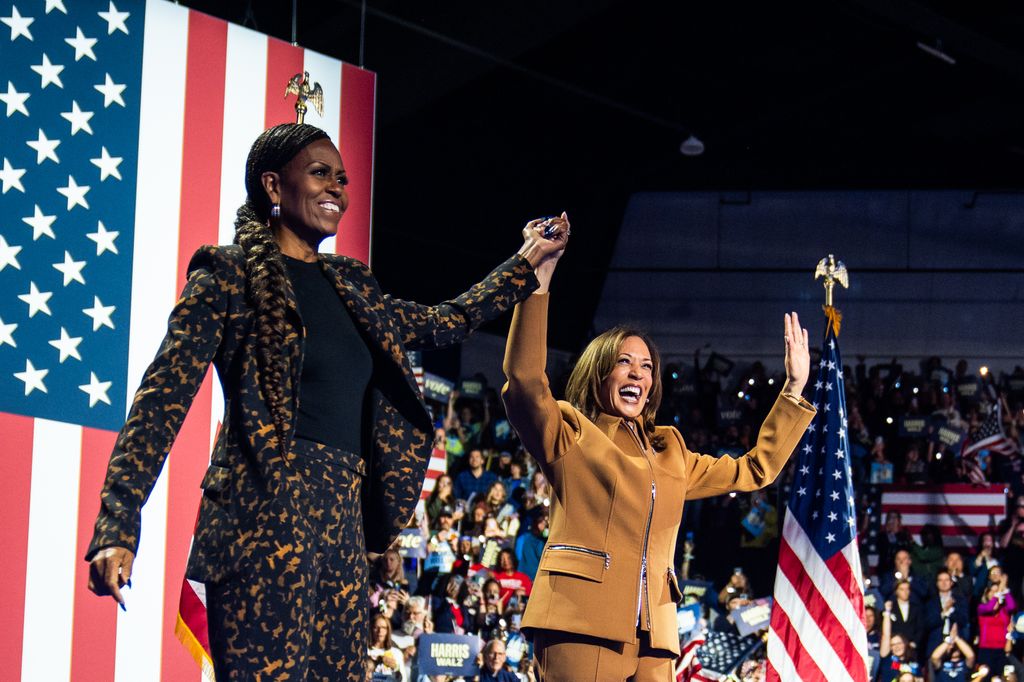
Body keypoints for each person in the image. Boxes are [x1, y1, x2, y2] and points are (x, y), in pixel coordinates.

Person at [83, 122, 565, 679]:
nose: (337, 188)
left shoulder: (353, 286)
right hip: (257, 528)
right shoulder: (226, 275)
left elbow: (446, 321)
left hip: (342, 530)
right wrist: (117, 525)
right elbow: (158, 403)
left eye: (342, 178)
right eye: (319, 173)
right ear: (272, 185)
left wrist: (526, 263)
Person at [499, 230, 815, 680]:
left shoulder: (671, 451)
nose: (638, 374)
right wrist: (538, 281)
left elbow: (754, 469)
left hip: (655, 637)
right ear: (599, 371)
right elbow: (525, 379)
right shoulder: (569, 431)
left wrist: (793, 390)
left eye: (647, 366)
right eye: (625, 362)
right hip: (580, 623)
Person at [367, 613, 406, 680]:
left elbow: (403, 679)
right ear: (371, 629)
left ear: (388, 630)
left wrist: (395, 667)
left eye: (384, 628)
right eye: (376, 627)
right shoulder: (364, 651)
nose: (380, 631)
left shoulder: (396, 653)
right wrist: (380, 659)